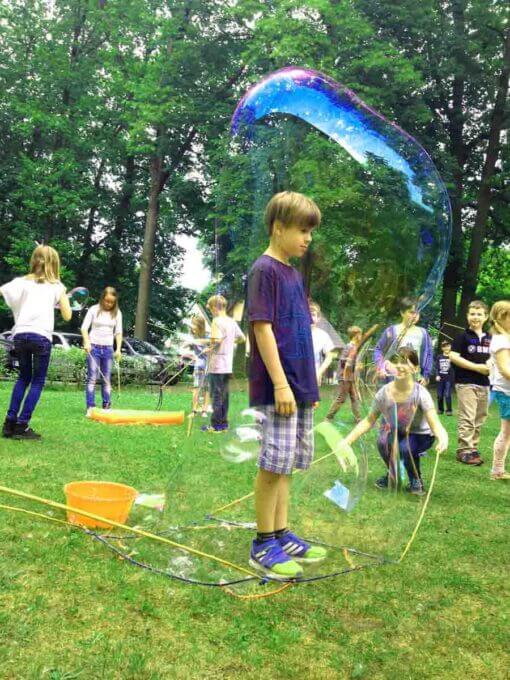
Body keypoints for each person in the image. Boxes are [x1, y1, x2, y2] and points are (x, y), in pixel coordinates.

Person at [247, 191, 327, 580]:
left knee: (287, 465)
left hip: (298, 386)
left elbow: (299, 334)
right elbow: (262, 329)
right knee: (272, 465)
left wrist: (306, 390)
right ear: (278, 228)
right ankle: (263, 542)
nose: (307, 238)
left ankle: (280, 532)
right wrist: (280, 385)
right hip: (277, 387)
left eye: (310, 231)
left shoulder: (294, 273)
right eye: (301, 230)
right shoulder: (264, 270)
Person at [341, 348, 448, 496]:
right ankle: (393, 474)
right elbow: (369, 420)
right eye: (395, 361)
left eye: (404, 362)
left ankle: (416, 480)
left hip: (421, 435)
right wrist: (347, 441)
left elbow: (434, 424)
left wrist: (443, 438)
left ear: (415, 368)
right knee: (383, 441)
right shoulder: (384, 393)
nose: (399, 365)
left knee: (405, 448)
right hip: (398, 431)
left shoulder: (420, 394)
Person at [1, 245, 71, 440]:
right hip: (41, 337)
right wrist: (59, 301)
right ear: (54, 264)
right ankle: (22, 425)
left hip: (20, 335)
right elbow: (67, 315)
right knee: (37, 381)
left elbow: (2, 292)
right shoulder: (57, 286)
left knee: (23, 378)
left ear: (34, 261)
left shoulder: (21, 282)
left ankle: (9, 423)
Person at [450, 300, 491, 466]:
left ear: (486, 317)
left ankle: (473, 448)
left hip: (485, 384)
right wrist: (476, 367)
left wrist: (490, 366)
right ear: (467, 316)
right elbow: (453, 356)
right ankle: (464, 450)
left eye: (479, 314)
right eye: (472, 314)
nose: (476, 317)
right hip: (466, 383)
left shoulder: (491, 338)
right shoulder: (462, 337)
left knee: (479, 417)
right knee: (467, 416)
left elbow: (498, 357)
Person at [204, 294, 244, 432]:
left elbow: (216, 340)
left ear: (215, 307)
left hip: (217, 364)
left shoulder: (216, 321)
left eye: (210, 309)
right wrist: (230, 342)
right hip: (227, 365)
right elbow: (242, 338)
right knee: (224, 395)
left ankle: (215, 425)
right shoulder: (231, 322)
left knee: (215, 394)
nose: (211, 312)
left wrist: (208, 349)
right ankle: (223, 424)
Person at [81, 286, 122, 415]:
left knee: (107, 379)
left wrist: (118, 349)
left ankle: (106, 406)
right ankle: (91, 408)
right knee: (92, 378)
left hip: (108, 349)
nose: (109, 304)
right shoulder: (94, 309)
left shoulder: (117, 313)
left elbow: (118, 332)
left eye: (112, 302)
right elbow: (84, 328)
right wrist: (87, 342)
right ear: (102, 298)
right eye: (107, 301)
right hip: (94, 348)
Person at [326, 324, 379, 423]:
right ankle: (328, 417)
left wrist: (356, 365)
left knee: (354, 398)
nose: (361, 336)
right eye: (360, 334)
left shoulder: (355, 347)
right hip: (344, 376)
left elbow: (352, 361)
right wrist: (355, 365)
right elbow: (343, 361)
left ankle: (358, 419)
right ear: (355, 336)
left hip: (351, 377)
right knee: (341, 398)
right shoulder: (348, 346)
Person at [373, 297, 433, 384]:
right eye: (411, 312)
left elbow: (429, 355)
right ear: (402, 313)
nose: (415, 316)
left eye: (417, 312)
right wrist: (381, 367)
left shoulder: (423, 333)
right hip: (394, 380)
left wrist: (425, 375)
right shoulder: (391, 331)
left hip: (415, 380)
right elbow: (378, 350)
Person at [488, 301, 510, 480]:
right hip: (507, 393)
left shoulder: (506, 338)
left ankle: (498, 470)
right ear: (501, 318)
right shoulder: (501, 340)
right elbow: (505, 370)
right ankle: (497, 470)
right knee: (506, 432)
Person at [188, 314, 210, 417]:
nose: (192, 327)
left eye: (194, 325)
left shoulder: (208, 335)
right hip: (198, 365)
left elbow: (214, 346)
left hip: (209, 365)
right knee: (196, 386)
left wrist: (208, 349)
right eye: (191, 325)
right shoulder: (192, 337)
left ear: (200, 325)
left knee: (206, 388)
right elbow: (188, 350)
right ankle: (194, 410)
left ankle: (204, 410)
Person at [309, 301, 335, 385]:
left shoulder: (323, 335)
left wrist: (319, 372)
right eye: (307, 314)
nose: (310, 318)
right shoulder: (296, 333)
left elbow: (329, 356)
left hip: (313, 376)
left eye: (313, 314)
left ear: (318, 317)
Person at [435, 340, 455, 415]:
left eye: (448, 346)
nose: (446, 348)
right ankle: (440, 409)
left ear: (450, 347)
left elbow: (456, 366)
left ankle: (449, 410)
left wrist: (452, 360)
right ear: (442, 348)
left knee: (447, 394)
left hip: (449, 379)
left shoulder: (453, 356)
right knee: (440, 395)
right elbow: (437, 367)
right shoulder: (439, 357)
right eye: (444, 346)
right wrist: (437, 375)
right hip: (440, 378)